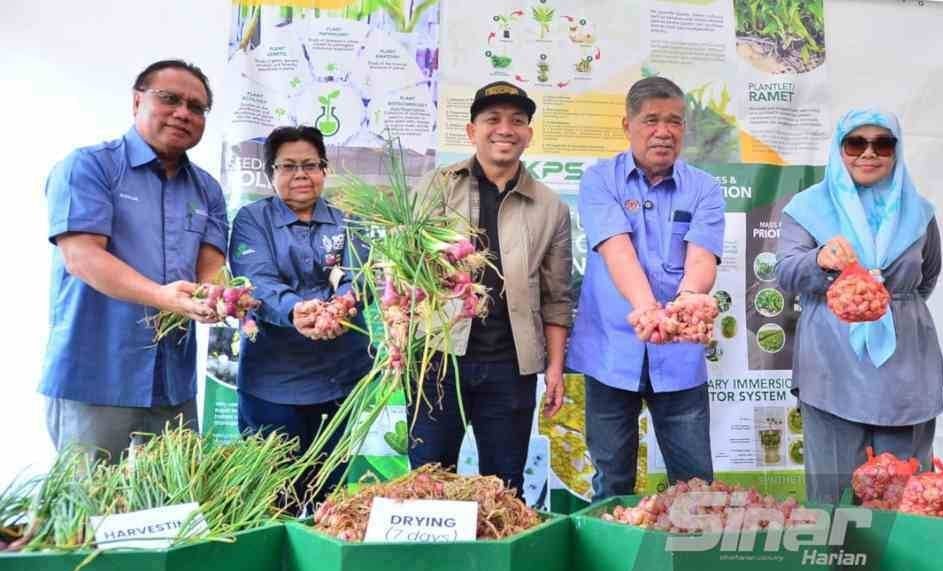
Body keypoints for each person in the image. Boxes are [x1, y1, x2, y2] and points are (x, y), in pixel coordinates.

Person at [41, 59, 228, 462]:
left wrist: (221, 295)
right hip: (95, 375)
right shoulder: (90, 166)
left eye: (196, 108)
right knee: (88, 508)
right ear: (137, 100)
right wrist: (161, 296)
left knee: (173, 508)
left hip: (172, 382)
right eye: (170, 99)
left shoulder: (208, 189)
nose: (183, 112)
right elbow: (82, 256)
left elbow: (211, 267)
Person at [408, 81, 573, 499]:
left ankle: (494, 563)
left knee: (503, 490)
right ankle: (433, 563)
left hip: (510, 368)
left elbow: (556, 298)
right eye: (492, 120)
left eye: (517, 121)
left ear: (529, 135)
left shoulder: (551, 206)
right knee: (429, 484)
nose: (506, 129)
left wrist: (554, 368)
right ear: (471, 131)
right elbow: (401, 272)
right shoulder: (435, 188)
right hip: (437, 361)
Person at [567, 76, 726, 501]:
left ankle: (693, 562)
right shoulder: (600, 180)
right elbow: (617, 250)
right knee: (612, 480)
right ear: (627, 125)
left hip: (678, 356)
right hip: (610, 353)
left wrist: (690, 300)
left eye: (674, 121)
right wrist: (647, 309)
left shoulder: (705, 189)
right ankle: (611, 564)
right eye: (651, 119)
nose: (663, 131)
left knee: (695, 484)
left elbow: (701, 258)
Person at [777, 108, 943, 503]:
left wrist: (891, 305)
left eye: (882, 144)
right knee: (834, 490)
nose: (868, 153)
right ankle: (838, 565)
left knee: (908, 490)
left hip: (907, 366)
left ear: (896, 151)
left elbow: (928, 276)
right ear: (840, 149)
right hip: (831, 363)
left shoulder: (919, 212)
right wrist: (820, 260)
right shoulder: (807, 208)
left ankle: (905, 565)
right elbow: (785, 272)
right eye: (856, 142)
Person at [228, 125, 372, 511]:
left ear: (324, 169)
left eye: (311, 164)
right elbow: (254, 280)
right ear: (270, 173)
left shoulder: (348, 221)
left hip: (341, 380)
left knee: (331, 499)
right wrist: (297, 310)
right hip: (272, 383)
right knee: (275, 498)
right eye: (288, 166)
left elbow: (362, 276)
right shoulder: (251, 220)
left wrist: (340, 307)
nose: (301, 175)